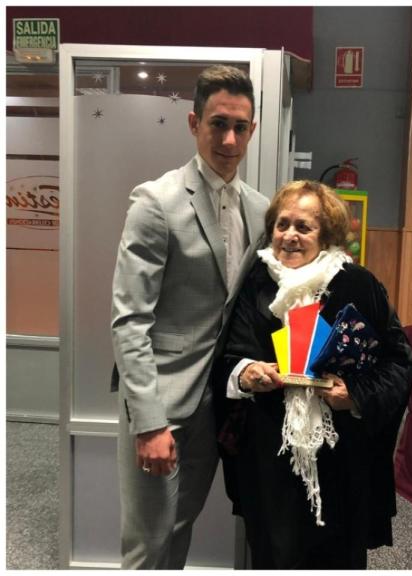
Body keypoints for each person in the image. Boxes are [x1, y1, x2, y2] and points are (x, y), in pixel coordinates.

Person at [111, 64, 269, 569]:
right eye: (217, 123)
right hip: (163, 403)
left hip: (217, 407)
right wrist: (148, 423)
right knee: (148, 543)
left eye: (239, 127)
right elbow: (129, 319)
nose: (228, 138)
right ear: (193, 123)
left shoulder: (260, 210)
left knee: (180, 531)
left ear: (252, 129)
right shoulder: (155, 202)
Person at [213, 180, 412, 568]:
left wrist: (356, 393)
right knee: (273, 552)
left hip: (340, 453)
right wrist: (245, 372)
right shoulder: (255, 282)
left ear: (326, 235)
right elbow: (228, 357)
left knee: (336, 556)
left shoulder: (357, 284)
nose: (289, 235)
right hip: (270, 451)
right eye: (282, 224)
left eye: (303, 227)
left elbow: (400, 361)